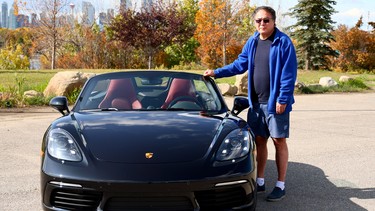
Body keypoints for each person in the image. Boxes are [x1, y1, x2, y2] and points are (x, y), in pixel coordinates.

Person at [203, 6, 297, 202]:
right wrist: (217, 72)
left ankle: (281, 185)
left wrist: (283, 99)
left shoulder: (283, 42)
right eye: (258, 20)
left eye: (266, 20)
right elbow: (240, 64)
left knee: (279, 141)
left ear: (273, 22)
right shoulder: (253, 42)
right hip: (255, 104)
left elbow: (289, 74)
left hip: (275, 103)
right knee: (260, 141)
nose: (262, 23)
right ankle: (260, 181)